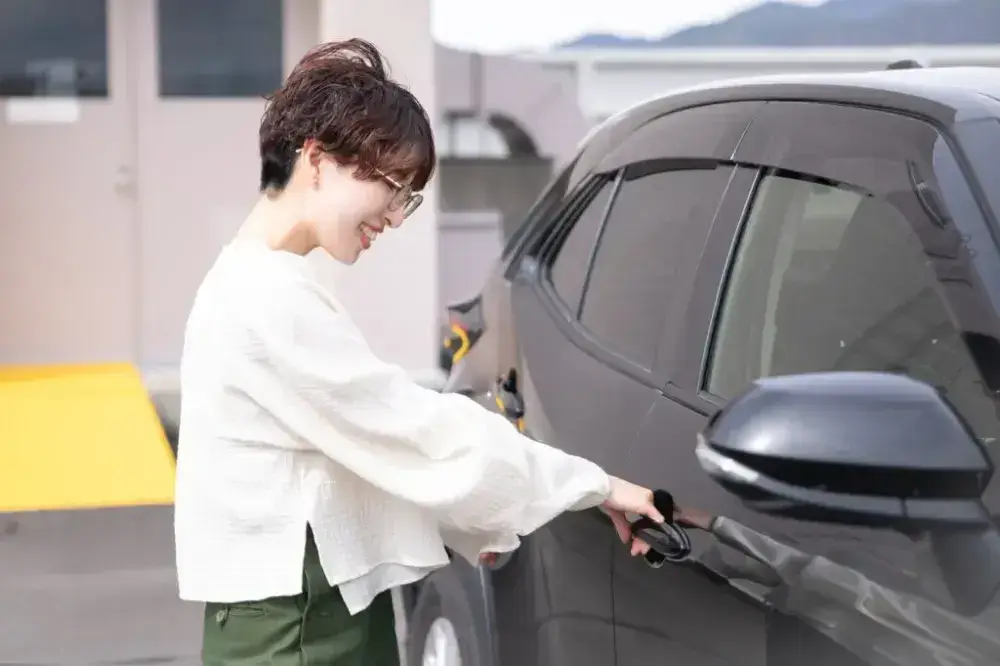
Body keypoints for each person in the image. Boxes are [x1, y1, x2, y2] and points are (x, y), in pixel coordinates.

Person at [173, 38, 665, 666]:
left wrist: (473, 514)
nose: (396, 216)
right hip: (299, 629)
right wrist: (594, 485)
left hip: (306, 614)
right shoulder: (266, 298)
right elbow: (412, 430)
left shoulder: (257, 281)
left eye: (408, 195)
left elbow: (359, 448)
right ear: (317, 159)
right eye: (391, 186)